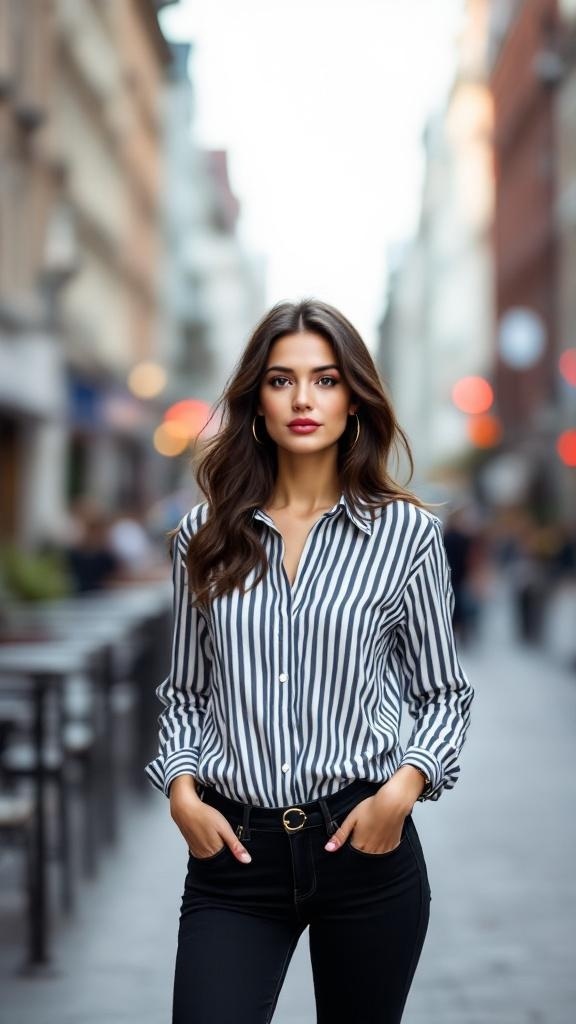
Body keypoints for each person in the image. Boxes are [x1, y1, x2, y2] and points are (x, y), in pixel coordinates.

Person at [145, 299, 474, 1024]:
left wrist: (402, 790)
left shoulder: (408, 537)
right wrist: (180, 792)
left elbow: (444, 693)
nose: (302, 399)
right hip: (232, 857)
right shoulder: (204, 535)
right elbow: (184, 694)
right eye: (281, 380)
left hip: (368, 848)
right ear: (255, 403)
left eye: (325, 379)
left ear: (353, 399)